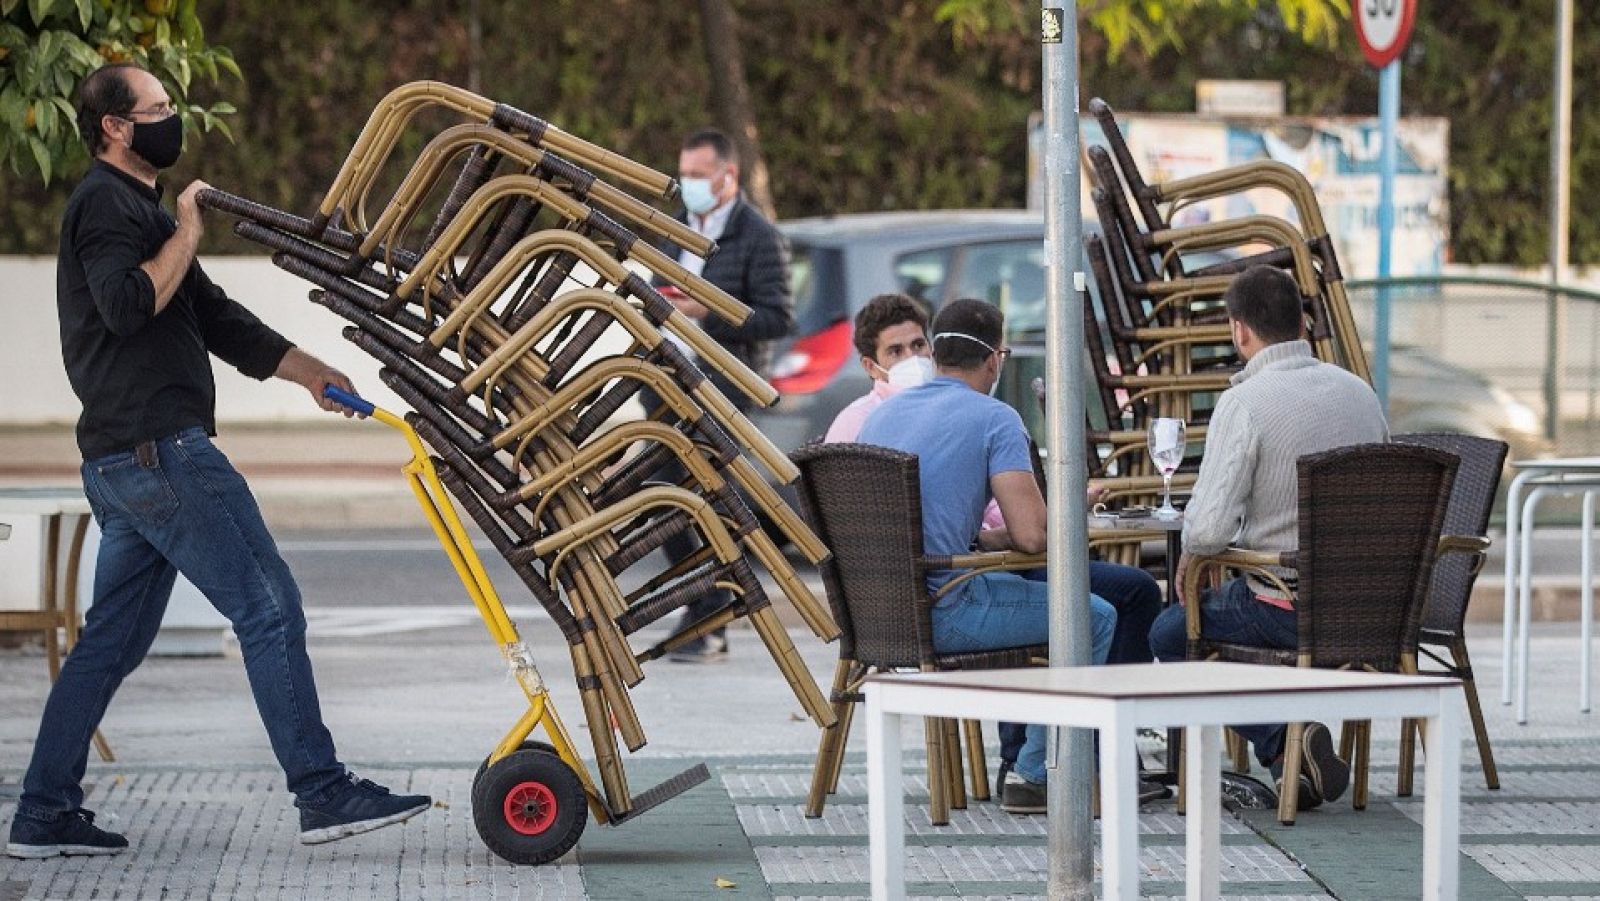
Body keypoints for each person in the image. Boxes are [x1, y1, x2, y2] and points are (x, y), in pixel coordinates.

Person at [6, 63, 430, 860]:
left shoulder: (139, 210)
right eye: (158, 107)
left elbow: (215, 317)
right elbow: (128, 305)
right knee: (268, 604)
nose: (174, 117)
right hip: (161, 453)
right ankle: (321, 789)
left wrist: (309, 371)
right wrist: (189, 229)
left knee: (110, 643)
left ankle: (43, 810)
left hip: (128, 461)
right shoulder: (104, 204)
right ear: (115, 128)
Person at [832, 295, 1160, 801]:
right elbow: (1032, 537)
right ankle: (1036, 773)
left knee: (1049, 600)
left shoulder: (881, 417)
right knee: (1092, 617)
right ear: (994, 360)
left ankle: (1071, 763)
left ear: (935, 354)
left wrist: (984, 538)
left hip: (877, 616)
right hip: (947, 608)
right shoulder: (996, 417)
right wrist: (1067, 508)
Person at [1147, 265, 1389, 808]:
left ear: (1239, 331)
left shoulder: (1246, 402)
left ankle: (1285, 741)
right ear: (1302, 323)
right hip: (1372, 610)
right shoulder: (1361, 394)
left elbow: (1208, 528)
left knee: (1171, 633)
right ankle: (1291, 768)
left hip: (1286, 610)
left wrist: (1194, 554)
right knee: (1224, 609)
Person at [651, 127, 794, 663]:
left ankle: (711, 616)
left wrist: (707, 311)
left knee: (708, 501)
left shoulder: (759, 236)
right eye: (683, 174)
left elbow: (777, 318)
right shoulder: (674, 228)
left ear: (727, 175)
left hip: (723, 392)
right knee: (659, 497)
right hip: (667, 386)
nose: (687, 184)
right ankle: (703, 607)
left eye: (697, 175)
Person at [823, 293, 933, 443]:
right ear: (871, 367)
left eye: (918, 345)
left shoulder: (952, 405)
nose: (912, 357)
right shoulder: (856, 421)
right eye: (896, 351)